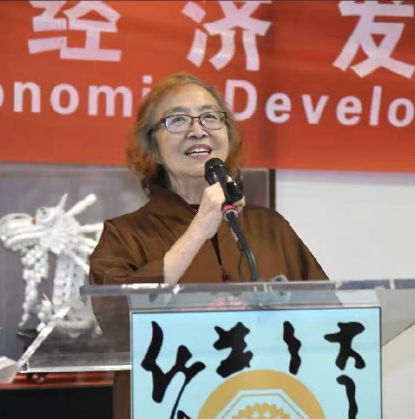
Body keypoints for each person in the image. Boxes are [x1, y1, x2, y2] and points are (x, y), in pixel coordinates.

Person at [89, 72, 327, 419]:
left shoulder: (270, 227)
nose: (198, 130)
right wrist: (198, 229)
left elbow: (328, 323)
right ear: (152, 147)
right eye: (177, 120)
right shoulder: (124, 235)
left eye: (210, 117)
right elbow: (116, 326)